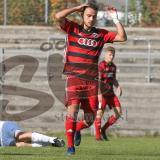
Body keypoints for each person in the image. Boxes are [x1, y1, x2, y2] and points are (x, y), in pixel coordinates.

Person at [54, 0, 127, 155]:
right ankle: (70, 147)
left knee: (90, 120)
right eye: (88, 15)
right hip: (74, 78)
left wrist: (115, 18)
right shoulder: (72, 28)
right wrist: (76, 8)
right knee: (72, 111)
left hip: (91, 82)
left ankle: (77, 130)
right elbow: (57, 16)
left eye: (94, 16)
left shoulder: (100, 34)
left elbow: (122, 37)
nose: (91, 19)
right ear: (82, 15)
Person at [94, 46, 122, 141]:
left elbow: (113, 79)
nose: (112, 56)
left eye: (113, 55)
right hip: (102, 94)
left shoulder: (113, 67)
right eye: (110, 54)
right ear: (105, 54)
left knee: (118, 113)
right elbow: (98, 81)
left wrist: (118, 86)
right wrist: (99, 94)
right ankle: (98, 137)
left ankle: (103, 129)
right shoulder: (101, 66)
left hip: (111, 94)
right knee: (100, 113)